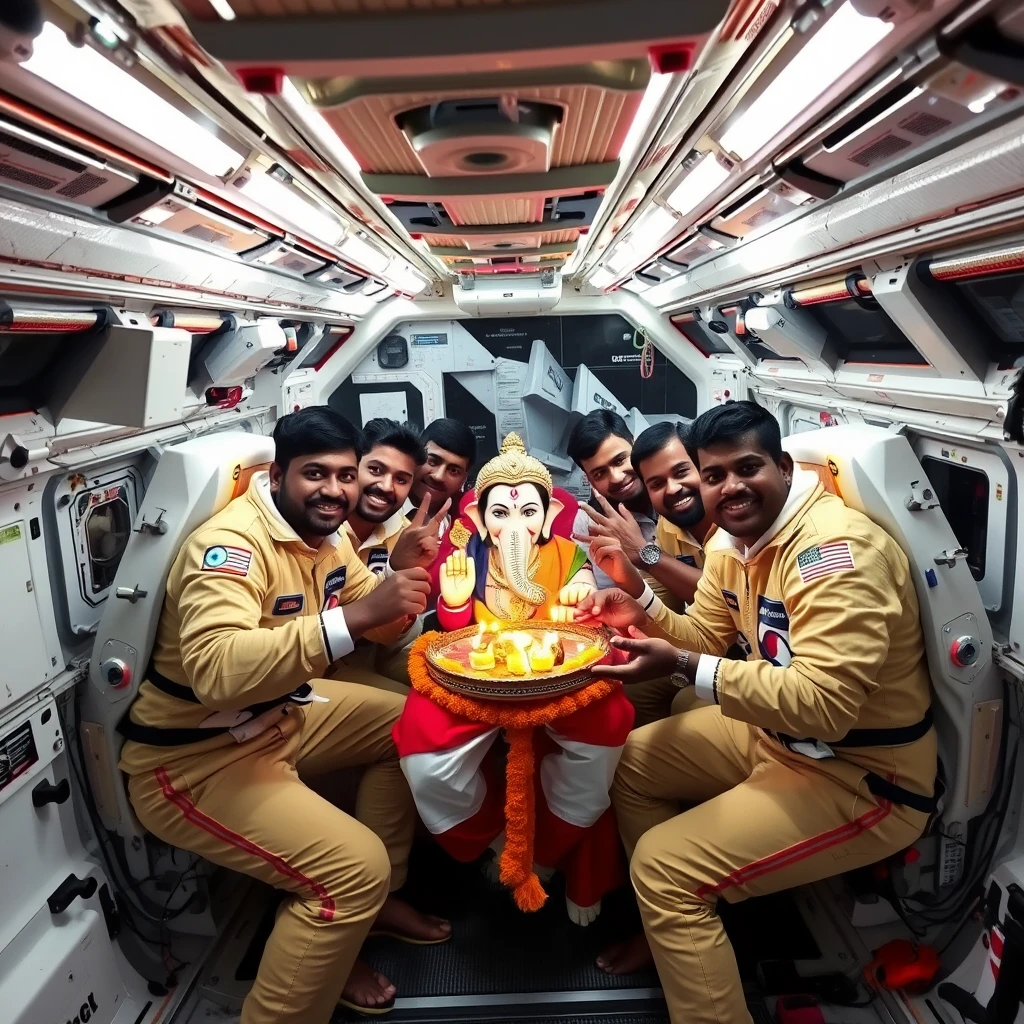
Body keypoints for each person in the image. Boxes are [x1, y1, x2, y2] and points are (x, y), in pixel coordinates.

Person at [575, 401, 937, 1024]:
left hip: (862, 774)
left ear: (785, 467)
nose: (730, 488)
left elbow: (824, 706)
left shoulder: (835, 552)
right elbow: (703, 636)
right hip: (775, 739)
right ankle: (679, 930)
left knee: (665, 870)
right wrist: (640, 614)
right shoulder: (732, 546)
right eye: (714, 476)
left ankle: (678, 907)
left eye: (748, 468)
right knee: (629, 761)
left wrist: (684, 668)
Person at [117, 407, 453, 1024]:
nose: (335, 490)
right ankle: (347, 908)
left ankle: (376, 904)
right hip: (194, 758)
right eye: (315, 474)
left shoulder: (324, 541)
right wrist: (352, 619)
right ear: (277, 476)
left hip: (281, 716)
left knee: (416, 724)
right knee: (352, 871)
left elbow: (367, 607)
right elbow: (217, 671)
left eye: (345, 475)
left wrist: (405, 577)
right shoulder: (230, 546)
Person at [393, 433, 634, 926]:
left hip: (558, 675)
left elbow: (585, 605)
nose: (516, 525)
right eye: (501, 513)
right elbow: (453, 634)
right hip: (476, 677)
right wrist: (456, 600)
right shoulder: (465, 557)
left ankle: (551, 848)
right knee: (421, 742)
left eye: (528, 513)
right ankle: (491, 838)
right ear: (481, 518)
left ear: (546, 516)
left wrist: (578, 605)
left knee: (610, 721)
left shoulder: (568, 553)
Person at [567, 412, 688, 725]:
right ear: (588, 480)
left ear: (635, 445)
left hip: (700, 624)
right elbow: (606, 595)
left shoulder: (677, 497)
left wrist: (640, 552)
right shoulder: (590, 522)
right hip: (641, 627)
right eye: (599, 473)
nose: (617, 477)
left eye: (621, 460)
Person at [342, 418, 428, 688]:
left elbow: (393, 634)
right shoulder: (322, 523)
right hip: (322, 661)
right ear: (353, 466)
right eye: (376, 469)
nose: (387, 486)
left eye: (401, 479)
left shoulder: (404, 534)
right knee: (408, 714)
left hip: (379, 650)